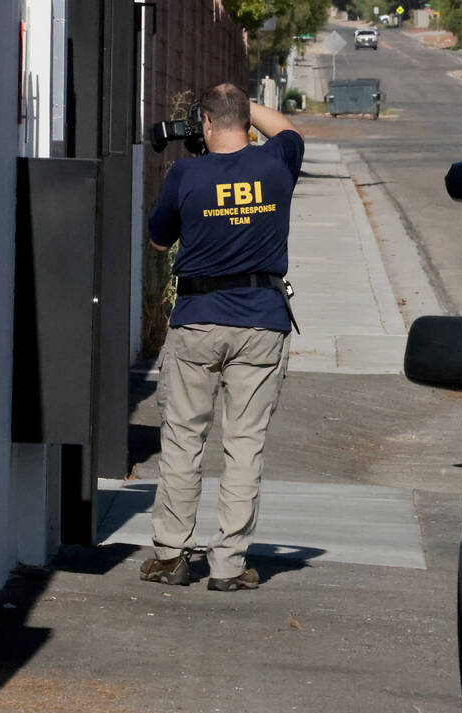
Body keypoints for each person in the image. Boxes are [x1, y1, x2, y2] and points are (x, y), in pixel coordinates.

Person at [140, 83, 304, 591]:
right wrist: (244, 107)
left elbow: (157, 239)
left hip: (197, 320)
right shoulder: (277, 163)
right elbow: (291, 129)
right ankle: (229, 566)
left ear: (205, 124)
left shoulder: (187, 173)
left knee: (184, 438)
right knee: (244, 445)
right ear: (247, 123)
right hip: (261, 321)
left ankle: (171, 556)